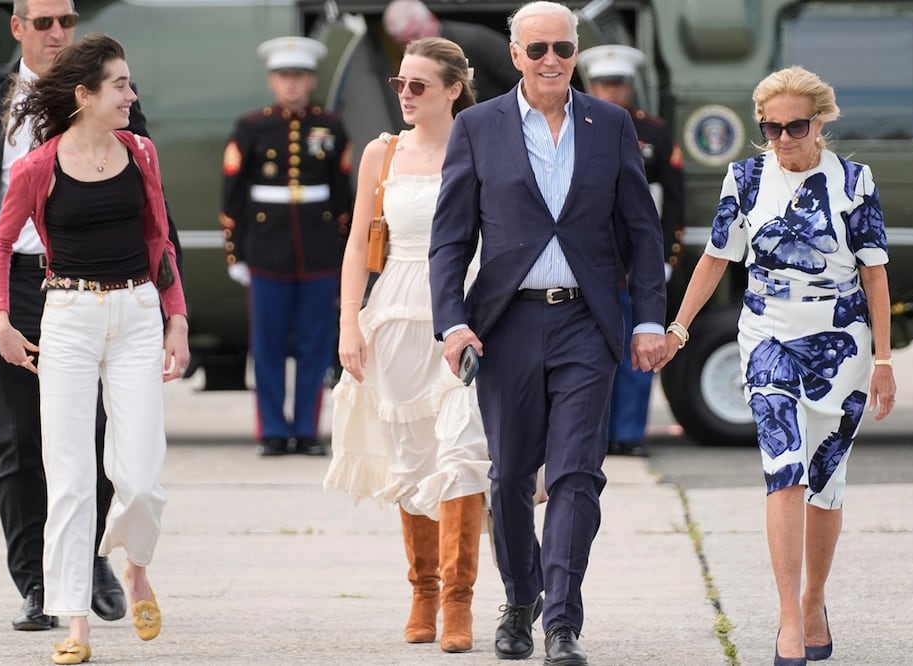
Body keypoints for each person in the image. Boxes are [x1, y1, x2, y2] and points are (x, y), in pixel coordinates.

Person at [428, 3, 668, 664]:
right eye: (536, 50)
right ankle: (517, 600)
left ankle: (561, 621)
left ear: (576, 51)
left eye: (561, 48)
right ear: (514, 55)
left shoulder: (610, 124)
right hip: (504, 326)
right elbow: (449, 240)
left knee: (574, 476)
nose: (550, 61)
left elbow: (642, 234)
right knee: (507, 479)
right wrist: (451, 322)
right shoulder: (477, 127)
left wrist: (647, 317)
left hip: (586, 324)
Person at [0, 0, 179, 631]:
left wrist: (170, 308)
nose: (58, 31)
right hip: (19, 284)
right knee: (26, 443)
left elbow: (153, 220)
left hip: (110, 286)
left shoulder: (116, 102)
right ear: (17, 28)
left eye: (67, 20)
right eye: (44, 21)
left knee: (113, 438)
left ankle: (99, 559)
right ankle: (37, 584)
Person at [663, 66, 896, 665]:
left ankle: (815, 598)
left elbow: (874, 272)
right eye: (771, 127)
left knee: (825, 482)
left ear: (820, 123)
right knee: (784, 471)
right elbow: (716, 258)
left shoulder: (854, 179)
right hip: (766, 334)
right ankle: (789, 619)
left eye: (795, 126)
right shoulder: (744, 177)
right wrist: (681, 326)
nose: (784, 137)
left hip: (840, 341)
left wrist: (884, 360)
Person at [323, 36, 490, 654]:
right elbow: (356, 246)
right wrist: (349, 323)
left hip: (462, 310)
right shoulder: (381, 152)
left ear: (454, 89)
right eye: (399, 84)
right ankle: (422, 589)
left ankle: (459, 602)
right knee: (412, 460)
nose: (405, 95)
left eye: (418, 85)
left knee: (464, 452)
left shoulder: (483, 143)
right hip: (394, 311)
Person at [220, 36, 354, 457]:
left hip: (317, 252)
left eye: (298, 76)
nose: (291, 84)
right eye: (283, 76)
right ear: (272, 81)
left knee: (316, 345)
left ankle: (308, 431)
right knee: (269, 346)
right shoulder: (251, 127)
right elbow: (233, 195)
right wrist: (235, 253)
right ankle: (274, 431)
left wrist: (343, 253)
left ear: (311, 80)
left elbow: (343, 196)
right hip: (266, 250)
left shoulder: (331, 128)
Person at [578, 44, 687, 457]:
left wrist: (665, 260)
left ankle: (629, 434)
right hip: (590, 262)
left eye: (619, 84)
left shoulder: (654, 133)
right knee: (592, 354)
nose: (612, 92)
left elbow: (671, 200)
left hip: (635, 262)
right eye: (605, 84)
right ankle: (598, 435)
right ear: (591, 85)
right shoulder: (574, 126)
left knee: (640, 350)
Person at [383, 0, 519, 102]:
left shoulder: (474, 41)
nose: (413, 43)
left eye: (415, 34)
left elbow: (522, 78)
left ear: (431, 20)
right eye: (403, 42)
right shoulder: (413, 66)